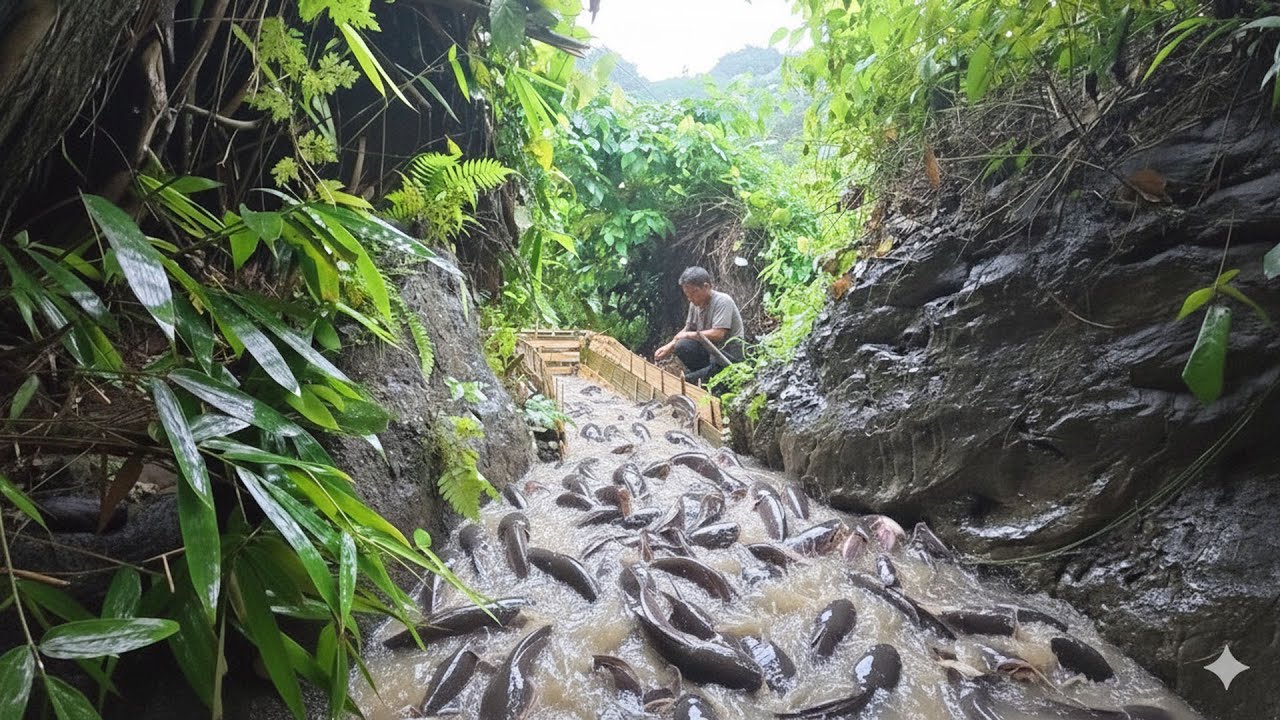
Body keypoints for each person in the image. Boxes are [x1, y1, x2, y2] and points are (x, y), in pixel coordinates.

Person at [654, 266, 744, 383]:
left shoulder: (723, 301)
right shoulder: (695, 304)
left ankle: (703, 377)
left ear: (706, 286)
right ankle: (703, 374)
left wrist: (687, 335)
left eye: (693, 293)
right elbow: (688, 329)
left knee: (688, 380)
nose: (690, 298)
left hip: (728, 355)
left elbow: (718, 334)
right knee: (681, 345)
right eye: (687, 295)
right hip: (710, 352)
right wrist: (669, 346)